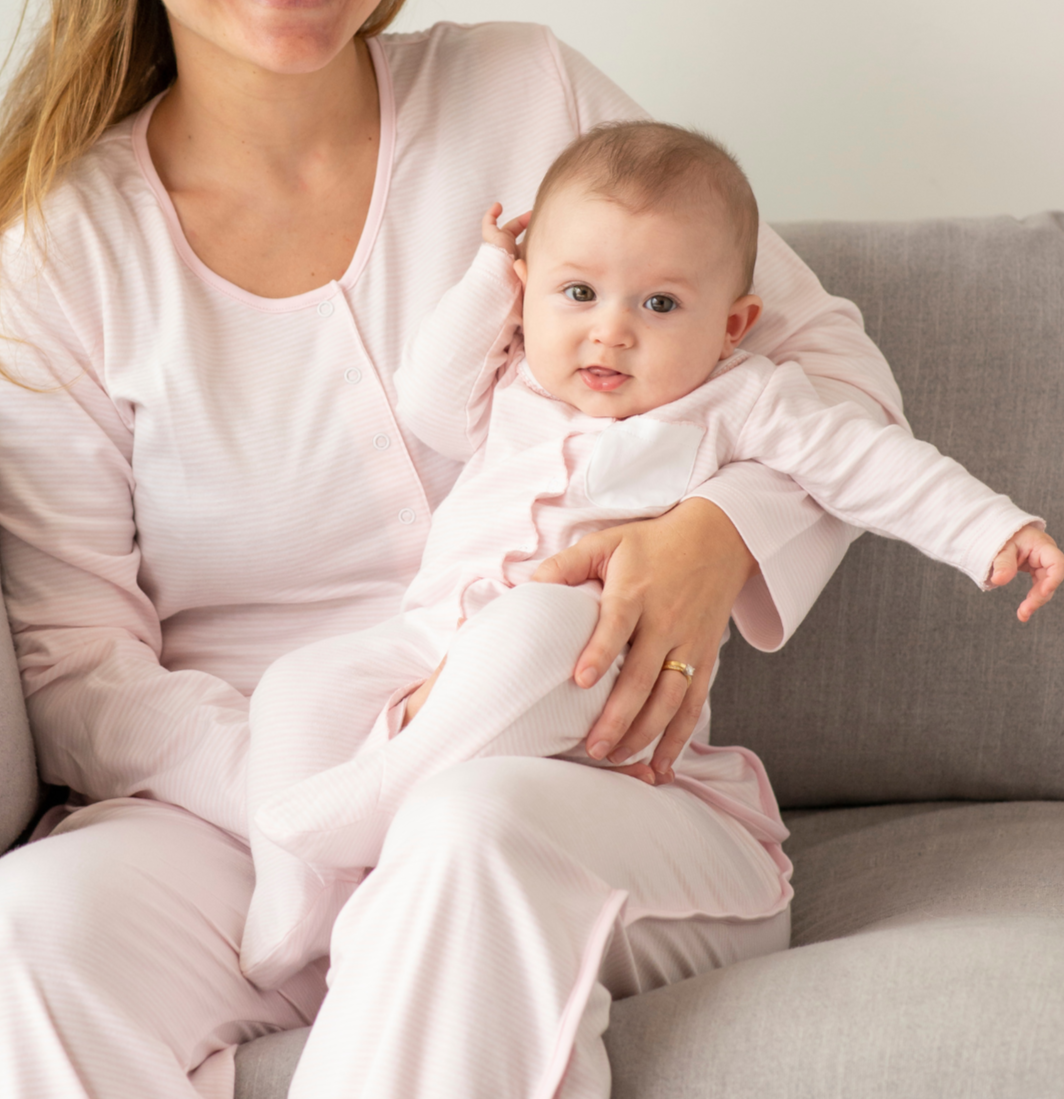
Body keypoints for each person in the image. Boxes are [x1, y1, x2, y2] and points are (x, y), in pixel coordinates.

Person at [0, 0, 968, 1095]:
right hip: (239, 814)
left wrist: (715, 533)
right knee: (24, 938)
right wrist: (307, 800)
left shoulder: (526, 92)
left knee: (466, 826)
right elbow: (76, 661)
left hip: (585, 783)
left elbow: (835, 380)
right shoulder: (54, 253)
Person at [241, 121, 1062, 988]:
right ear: (528, 291)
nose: (610, 332)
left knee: (537, 624)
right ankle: (293, 905)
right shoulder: (513, 376)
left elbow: (864, 461)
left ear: (731, 325)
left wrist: (990, 529)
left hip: (591, 667)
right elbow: (426, 403)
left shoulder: (740, 399)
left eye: (659, 305)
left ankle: (379, 797)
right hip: (428, 642)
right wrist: (489, 279)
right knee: (297, 687)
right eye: (577, 293)